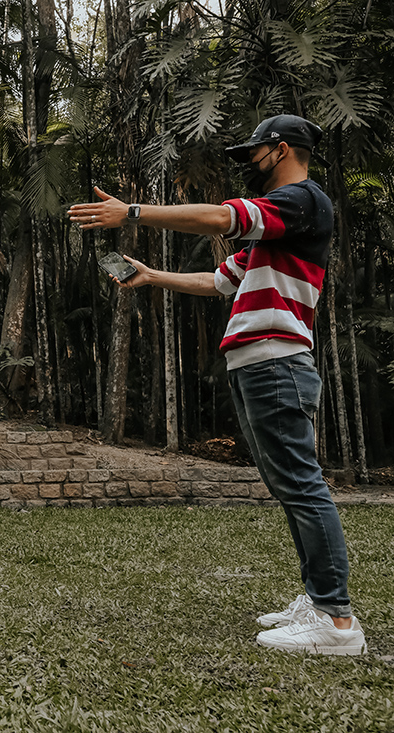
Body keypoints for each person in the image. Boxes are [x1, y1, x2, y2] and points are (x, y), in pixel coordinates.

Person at [67, 114, 366, 656]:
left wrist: (131, 212)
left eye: (253, 153)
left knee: (302, 485)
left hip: (278, 362)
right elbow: (221, 280)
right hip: (256, 364)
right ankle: (319, 598)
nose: (248, 163)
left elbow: (220, 217)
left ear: (280, 150)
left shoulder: (303, 199)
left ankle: (336, 620)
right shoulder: (274, 229)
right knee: (289, 487)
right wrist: (152, 275)